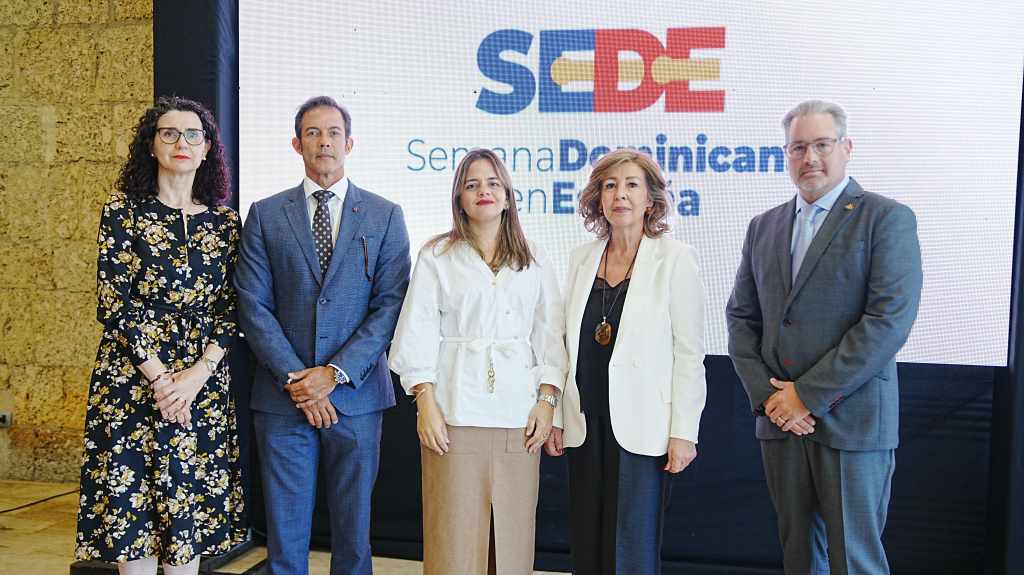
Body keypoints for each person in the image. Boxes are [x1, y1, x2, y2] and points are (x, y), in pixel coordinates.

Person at [726, 100, 923, 574]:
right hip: (780, 423)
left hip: (852, 423)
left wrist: (806, 396)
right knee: (799, 556)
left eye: (821, 145)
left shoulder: (885, 218)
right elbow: (741, 318)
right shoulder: (763, 226)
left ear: (846, 147)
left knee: (854, 560)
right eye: (798, 147)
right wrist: (771, 399)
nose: (809, 158)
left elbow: (888, 321)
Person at [234, 96, 410, 575]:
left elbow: (390, 306)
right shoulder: (266, 215)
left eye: (334, 133)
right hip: (283, 398)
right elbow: (253, 305)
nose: (324, 141)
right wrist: (299, 381)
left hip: (357, 397)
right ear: (297, 144)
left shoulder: (385, 215)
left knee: (353, 537)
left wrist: (333, 374)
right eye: (313, 132)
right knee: (285, 538)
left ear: (349, 144)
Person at [75, 96, 246, 575]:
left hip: (200, 386)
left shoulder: (225, 222)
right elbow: (114, 303)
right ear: (151, 145)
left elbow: (231, 308)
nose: (181, 142)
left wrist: (195, 377)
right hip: (133, 381)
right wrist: (161, 380)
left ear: (208, 149)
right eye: (168, 133)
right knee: (136, 519)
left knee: (186, 524)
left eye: (193, 134)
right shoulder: (123, 210)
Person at [388, 149, 567, 574]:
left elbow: (549, 334)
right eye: (472, 185)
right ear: (459, 198)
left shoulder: (534, 258)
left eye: (492, 183)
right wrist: (425, 404)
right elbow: (417, 332)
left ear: (507, 195)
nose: (483, 191)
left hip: (518, 417)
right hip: (454, 415)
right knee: (453, 538)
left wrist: (547, 401)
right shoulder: (437, 255)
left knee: (512, 540)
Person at [544, 148, 707, 574]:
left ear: (650, 200)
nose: (620, 195)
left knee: (630, 551)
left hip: (643, 427)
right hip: (585, 422)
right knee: (588, 542)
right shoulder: (582, 258)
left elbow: (689, 353)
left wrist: (684, 431)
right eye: (610, 186)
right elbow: (563, 342)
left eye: (632, 185)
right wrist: (557, 414)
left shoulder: (675, 258)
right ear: (598, 198)